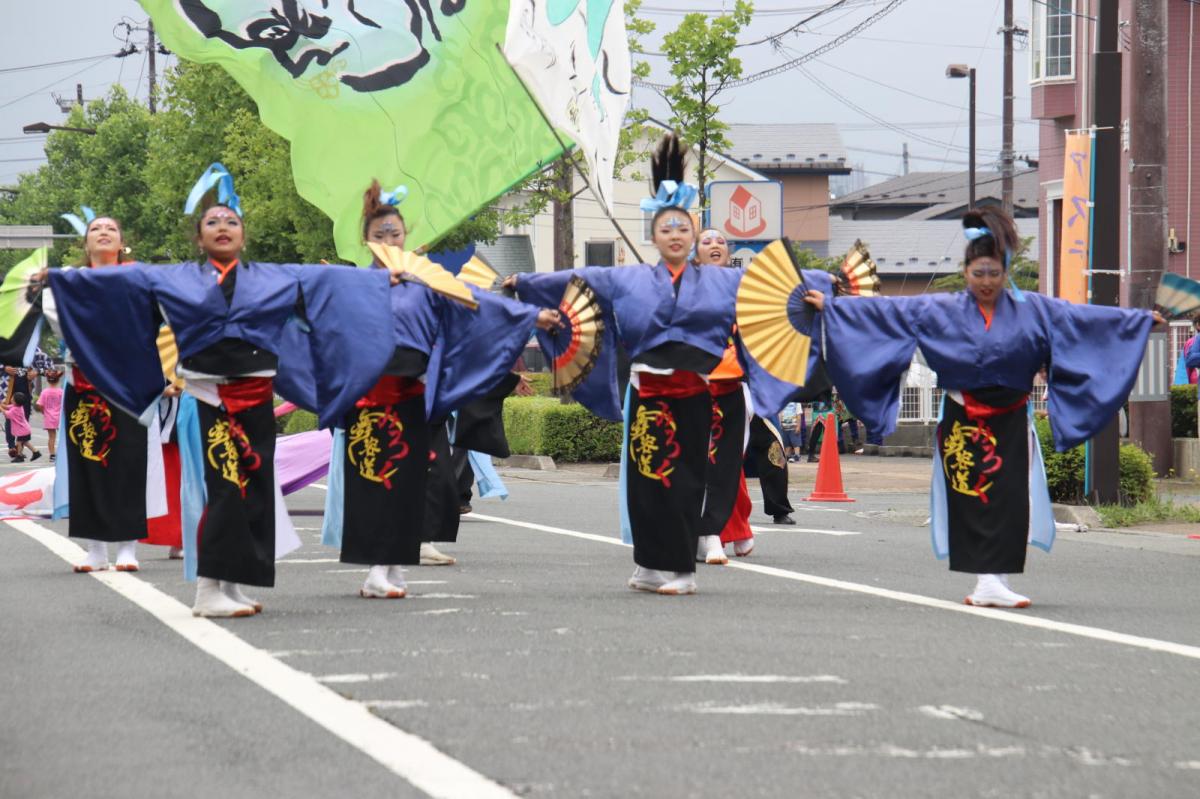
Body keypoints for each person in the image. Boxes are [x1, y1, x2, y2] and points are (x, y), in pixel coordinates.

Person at [49, 164, 396, 616]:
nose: (222, 226)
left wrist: (380, 279)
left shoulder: (274, 277)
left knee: (252, 494)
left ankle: (232, 584)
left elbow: (332, 282)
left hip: (257, 400)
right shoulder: (175, 278)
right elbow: (113, 285)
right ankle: (207, 590)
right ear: (199, 238)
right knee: (224, 491)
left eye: (231, 221)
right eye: (212, 221)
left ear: (243, 234)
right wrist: (56, 279)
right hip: (210, 399)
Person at [507, 134, 828, 594]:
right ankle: (649, 565)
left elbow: (774, 281)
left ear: (694, 233)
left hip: (695, 394)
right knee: (645, 482)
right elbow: (574, 279)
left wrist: (823, 284)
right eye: (666, 229)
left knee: (686, 480)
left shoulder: (724, 282)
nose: (675, 236)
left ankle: (680, 569)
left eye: (682, 228)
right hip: (648, 394)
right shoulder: (628, 278)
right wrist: (522, 282)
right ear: (653, 235)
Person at [804, 206, 1160, 608]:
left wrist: (1139, 321)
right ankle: (984, 581)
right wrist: (832, 307)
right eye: (978, 274)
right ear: (966, 270)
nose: (986, 282)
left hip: (1011, 417)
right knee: (969, 495)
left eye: (994, 273)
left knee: (1011, 498)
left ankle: (998, 579)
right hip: (962, 415)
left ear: (1005, 271)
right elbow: (887, 311)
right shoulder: (938, 308)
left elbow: (1086, 320)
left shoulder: (1036, 309)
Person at [320, 180, 559, 599]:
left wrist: (531, 316)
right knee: (375, 481)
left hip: (412, 397)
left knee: (409, 484)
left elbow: (479, 302)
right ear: (366, 241)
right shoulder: (352, 284)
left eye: (395, 234)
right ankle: (376, 566)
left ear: (406, 237)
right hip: (369, 399)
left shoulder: (426, 284)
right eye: (379, 236)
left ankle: (393, 565)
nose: (389, 241)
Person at [45, 213, 156, 574]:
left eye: (111, 228)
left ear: (121, 241)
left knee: (129, 463)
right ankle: (95, 549)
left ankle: (127, 547)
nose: (103, 233)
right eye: (96, 229)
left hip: (127, 385)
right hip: (84, 381)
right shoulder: (69, 282)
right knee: (87, 462)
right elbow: (58, 321)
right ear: (86, 243)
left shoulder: (140, 279)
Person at [2, 391, 40, 463]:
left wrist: (1, 408)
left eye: (13, 398)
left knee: (19, 442)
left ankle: (19, 456)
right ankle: (36, 452)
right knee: (25, 442)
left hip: (23, 430)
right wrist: (1, 405)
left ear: (15, 401)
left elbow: (7, 414)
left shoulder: (15, 409)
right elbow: (7, 407)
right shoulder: (17, 406)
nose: (11, 398)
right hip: (24, 429)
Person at [35, 370, 63, 460]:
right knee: (63, 436)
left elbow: (39, 404)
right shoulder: (61, 392)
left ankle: (52, 455)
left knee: (51, 437)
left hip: (49, 417)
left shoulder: (45, 392)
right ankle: (64, 454)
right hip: (60, 417)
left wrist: (44, 411)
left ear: (47, 380)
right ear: (58, 380)